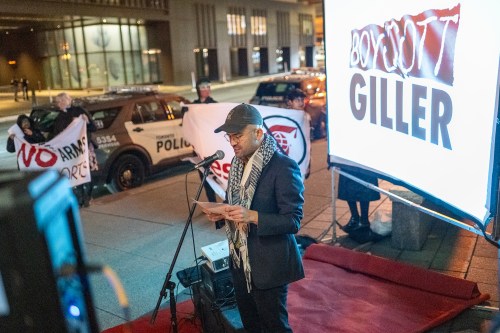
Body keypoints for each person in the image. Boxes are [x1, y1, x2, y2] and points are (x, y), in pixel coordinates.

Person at [203, 103, 305, 333]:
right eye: (230, 137)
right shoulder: (237, 166)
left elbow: (293, 221)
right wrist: (220, 214)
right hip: (240, 263)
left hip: (269, 266)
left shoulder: (283, 167)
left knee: (275, 326)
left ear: (258, 133)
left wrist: (253, 216)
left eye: (238, 135)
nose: (233, 142)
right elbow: (235, 206)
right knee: (251, 325)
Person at [52, 92, 98, 207]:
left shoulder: (79, 111)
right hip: (71, 152)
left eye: (61, 101)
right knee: (75, 174)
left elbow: (93, 127)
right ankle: (79, 199)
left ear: (68, 100)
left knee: (86, 173)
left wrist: (86, 121)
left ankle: (88, 196)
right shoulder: (59, 117)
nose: (59, 104)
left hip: (83, 148)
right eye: (58, 102)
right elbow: (56, 135)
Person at [193, 77, 218, 202]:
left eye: (208, 87)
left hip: (211, 149)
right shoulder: (193, 105)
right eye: (203, 87)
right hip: (198, 149)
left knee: (216, 177)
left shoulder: (214, 104)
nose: (207, 90)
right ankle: (212, 204)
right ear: (198, 90)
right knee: (205, 179)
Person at [338, 167, 380, 232]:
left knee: (364, 186)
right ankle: (357, 218)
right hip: (349, 163)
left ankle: (362, 219)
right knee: (349, 187)